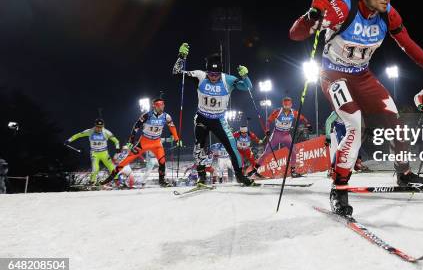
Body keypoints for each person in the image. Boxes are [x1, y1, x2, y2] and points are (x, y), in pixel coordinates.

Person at [290, 0, 423, 215]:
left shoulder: (387, 13)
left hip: (362, 75)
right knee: (354, 123)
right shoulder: (342, 8)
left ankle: (403, 174)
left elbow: (406, 41)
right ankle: (339, 188)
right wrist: (312, 14)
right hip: (333, 75)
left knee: (395, 122)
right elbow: (296, 34)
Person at [172, 43, 255, 186]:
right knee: (199, 147)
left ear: (220, 72)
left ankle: (240, 176)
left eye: (216, 74)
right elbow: (176, 73)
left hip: (219, 120)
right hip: (202, 118)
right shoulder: (200, 75)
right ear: (207, 71)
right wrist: (181, 57)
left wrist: (245, 76)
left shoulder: (227, 79)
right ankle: (202, 177)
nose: (214, 77)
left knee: (232, 147)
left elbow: (247, 87)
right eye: (211, 73)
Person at [101, 98, 181, 187]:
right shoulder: (147, 115)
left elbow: (172, 127)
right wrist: (131, 140)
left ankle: (162, 181)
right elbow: (136, 126)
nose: (161, 107)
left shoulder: (167, 116)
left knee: (162, 162)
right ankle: (111, 177)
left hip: (157, 143)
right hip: (144, 142)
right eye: (159, 105)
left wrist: (177, 139)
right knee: (127, 160)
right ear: (154, 106)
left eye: (163, 105)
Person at [264, 97, 310, 177]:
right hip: (277, 134)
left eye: (288, 106)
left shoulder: (294, 112)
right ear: (283, 105)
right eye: (285, 106)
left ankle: (293, 171)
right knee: (266, 152)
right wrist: (267, 130)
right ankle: (255, 169)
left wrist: (308, 124)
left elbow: (303, 118)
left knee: (294, 152)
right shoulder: (278, 111)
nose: (287, 108)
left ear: (291, 105)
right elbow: (268, 121)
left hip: (286, 135)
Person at [67, 118, 120, 185]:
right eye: (97, 127)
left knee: (111, 167)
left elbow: (116, 141)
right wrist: (69, 140)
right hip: (94, 154)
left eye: (100, 127)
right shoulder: (90, 131)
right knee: (95, 169)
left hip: (104, 153)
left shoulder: (106, 132)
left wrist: (117, 148)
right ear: (95, 125)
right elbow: (78, 135)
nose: (99, 129)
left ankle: (117, 181)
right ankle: (92, 182)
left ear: (103, 126)